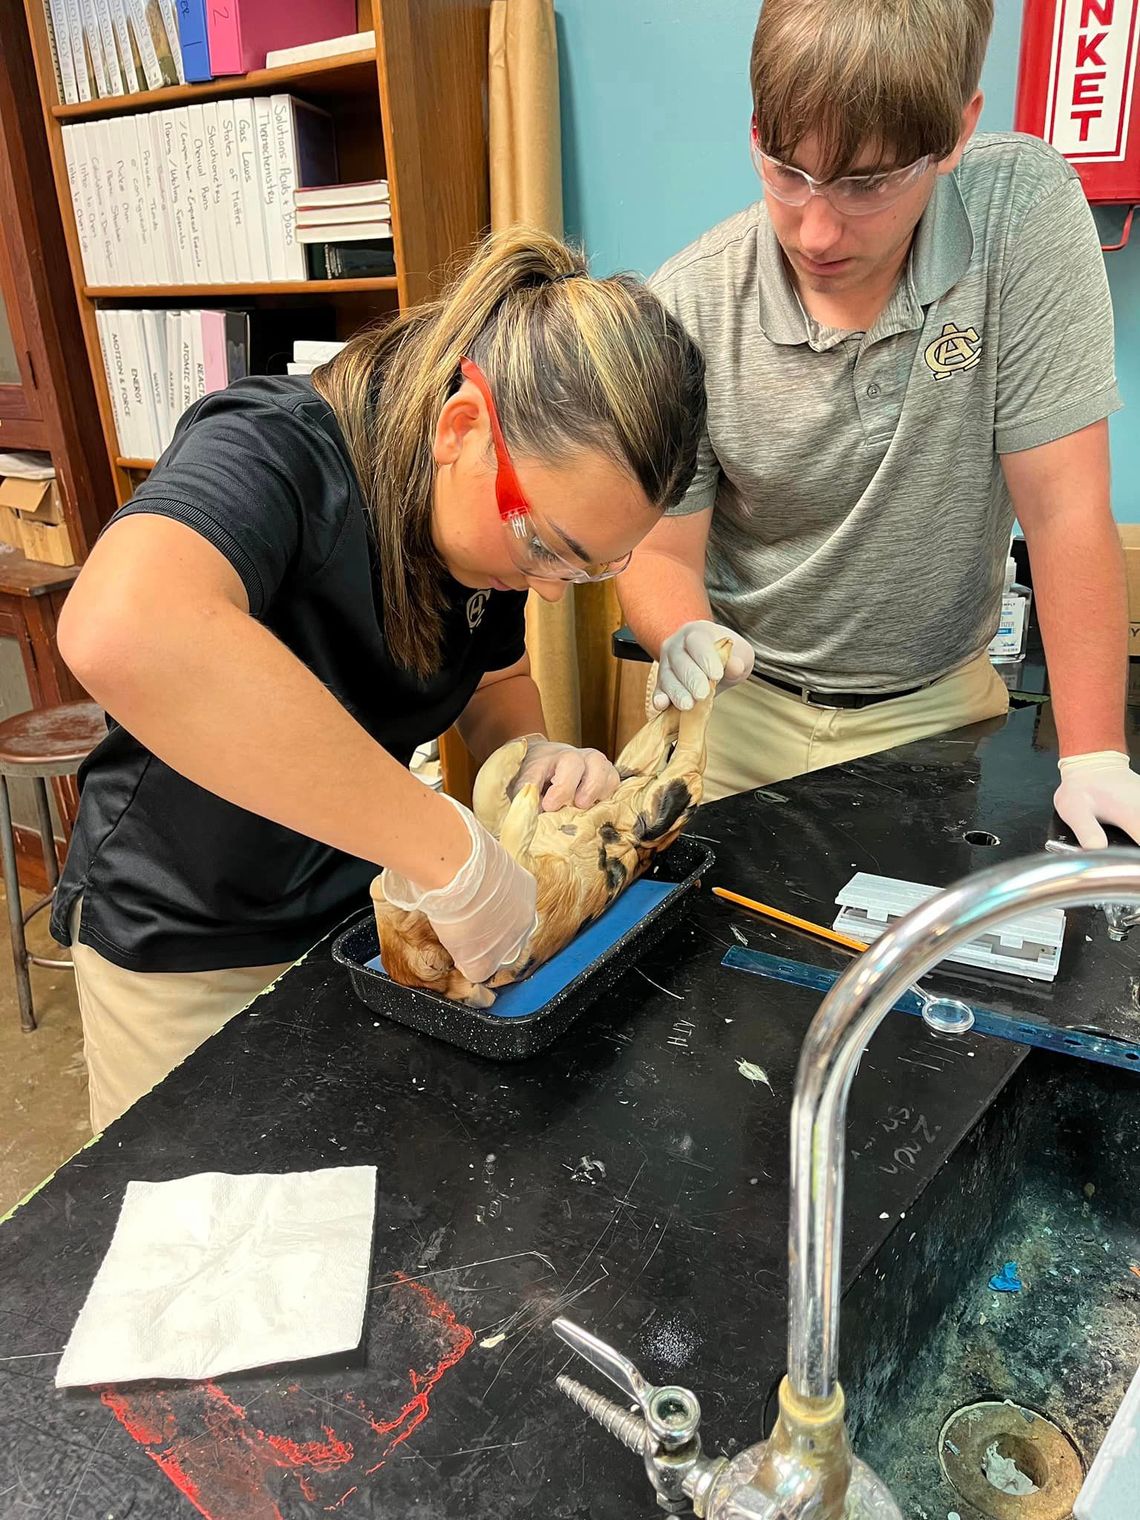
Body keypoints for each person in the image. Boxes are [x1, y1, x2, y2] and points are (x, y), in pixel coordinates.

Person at [54, 229, 706, 1131]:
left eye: (590, 567)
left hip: (358, 925)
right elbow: (125, 628)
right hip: (188, 940)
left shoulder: (488, 548)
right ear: (462, 427)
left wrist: (530, 757)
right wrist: (447, 850)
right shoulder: (275, 451)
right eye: (545, 545)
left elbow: (490, 672)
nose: (553, 584)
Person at [619, 0, 1140, 850]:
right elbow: (663, 551)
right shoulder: (691, 303)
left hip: (938, 705)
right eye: (787, 172)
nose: (818, 230)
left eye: (867, 184)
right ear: (756, 130)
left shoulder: (1020, 212)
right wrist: (683, 633)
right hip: (745, 705)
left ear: (957, 133)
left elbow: (1064, 509)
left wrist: (1094, 757)